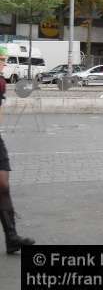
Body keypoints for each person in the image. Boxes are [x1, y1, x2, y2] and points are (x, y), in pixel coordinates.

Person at [0, 46, 35, 254]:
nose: (3, 63)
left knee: (3, 185)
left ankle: (12, 238)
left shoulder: (1, 83)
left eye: (4, 59)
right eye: (0, 59)